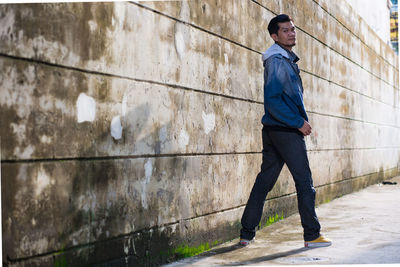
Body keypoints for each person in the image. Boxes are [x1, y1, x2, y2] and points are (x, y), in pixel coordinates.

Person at [239, 14, 332, 248]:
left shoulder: (284, 58)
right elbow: (273, 101)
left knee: (265, 181)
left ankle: (246, 233)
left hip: (274, 129)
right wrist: (298, 122)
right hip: (285, 130)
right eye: (285, 30)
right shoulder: (278, 60)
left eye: (293, 29)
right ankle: (312, 235)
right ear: (274, 36)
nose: (291, 33)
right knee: (304, 181)